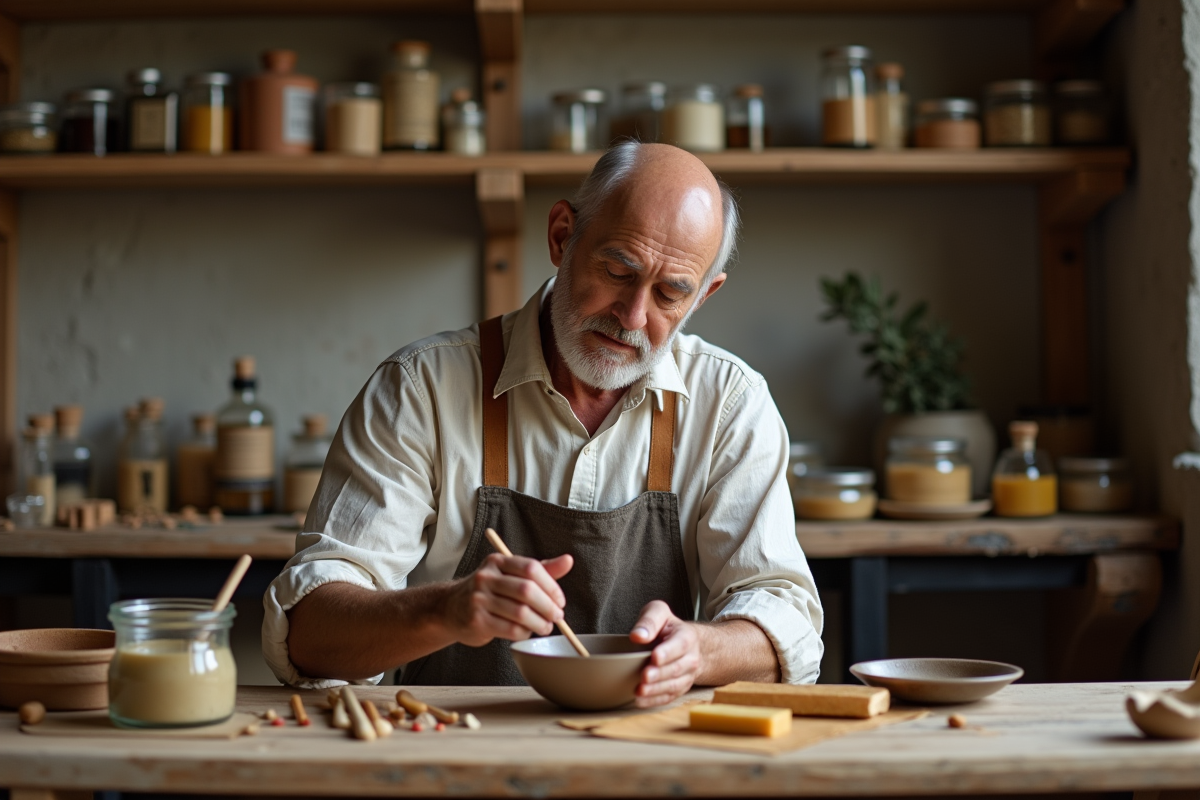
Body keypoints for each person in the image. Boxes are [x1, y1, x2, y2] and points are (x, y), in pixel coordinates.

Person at [263, 141, 823, 706]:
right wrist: (445, 609)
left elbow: (786, 621)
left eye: (670, 293)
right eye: (617, 269)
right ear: (561, 236)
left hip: (651, 760)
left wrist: (701, 650)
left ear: (704, 295)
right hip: (447, 755)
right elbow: (311, 634)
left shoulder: (729, 404)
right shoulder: (422, 387)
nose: (631, 317)